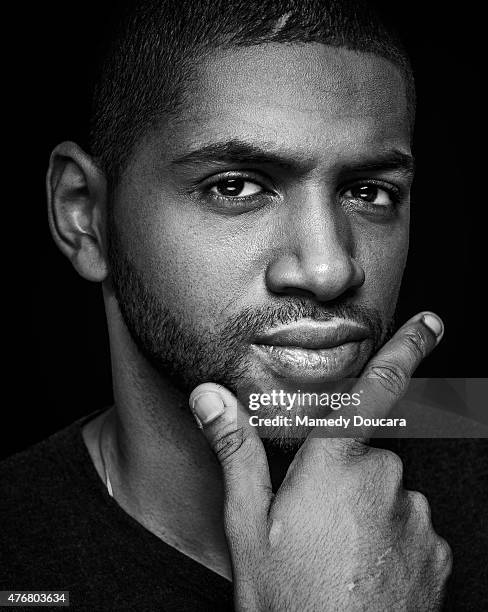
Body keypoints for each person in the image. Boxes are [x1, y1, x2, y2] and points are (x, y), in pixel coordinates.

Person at [1, 0, 486, 610]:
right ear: (86, 218)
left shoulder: (470, 440)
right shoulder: (17, 549)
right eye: (236, 187)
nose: (329, 268)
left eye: (370, 191)